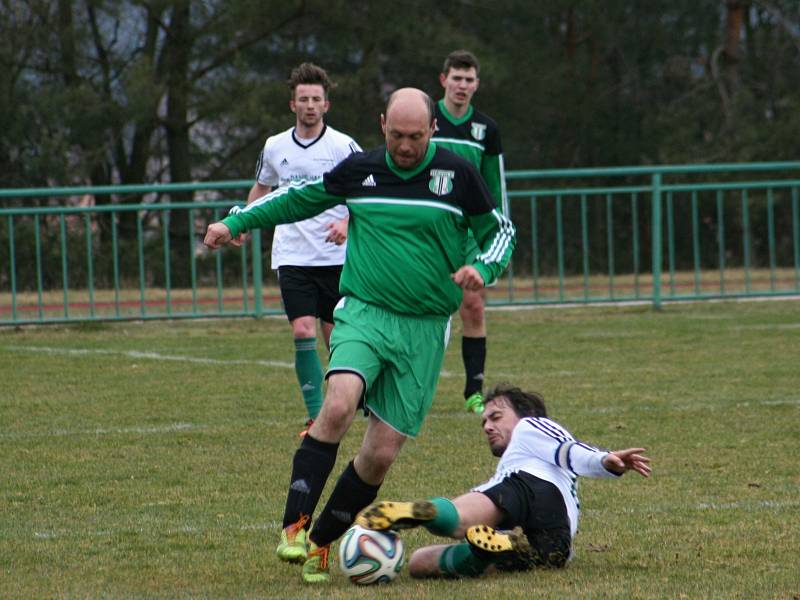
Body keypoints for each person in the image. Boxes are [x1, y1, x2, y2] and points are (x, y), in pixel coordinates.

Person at [204, 88, 516, 583]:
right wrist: (234, 221)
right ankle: (294, 525)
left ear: (433, 129)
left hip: (424, 329)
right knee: (338, 403)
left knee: (380, 453)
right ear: (381, 126)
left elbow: (500, 231)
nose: (406, 146)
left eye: (415, 136)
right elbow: (297, 197)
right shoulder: (363, 170)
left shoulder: (458, 175)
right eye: (396, 136)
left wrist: (483, 265)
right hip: (365, 313)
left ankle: (322, 543)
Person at [356, 384, 651, 578]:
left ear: (527, 415)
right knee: (419, 563)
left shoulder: (531, 426)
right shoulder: (507, 469)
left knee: (459, 518)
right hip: (556, 543)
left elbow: (568, 451)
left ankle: (429, 512)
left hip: (532, 488)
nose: (487, 426)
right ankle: (491, 551)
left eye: (496, 416)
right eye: (484, 421)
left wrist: (604, 460)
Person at [243, 63, 361, 437]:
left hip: (336, 258)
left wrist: (346, 223)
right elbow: (261, 189)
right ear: (292, 104)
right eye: (303, 99)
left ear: (326, 104)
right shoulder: (275, 146)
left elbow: (365, 191)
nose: (310, 105)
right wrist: (242, 222)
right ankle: (316, 417)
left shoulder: (343, 146)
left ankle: (355, 398)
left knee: (336, 336)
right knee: (302, 330)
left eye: (316, 99)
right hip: (292, 255)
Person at [433, 50, 509, 415]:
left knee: (473, 305)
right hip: (428, 228)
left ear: (477, 84)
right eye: (456, 78)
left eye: (469, 79)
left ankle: (473, 391)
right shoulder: (425, 118)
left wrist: (494, 233)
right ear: (443, 79)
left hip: (467, 232)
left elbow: (494, 187)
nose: (462, 85)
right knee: (420, 303)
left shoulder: (486, 129)